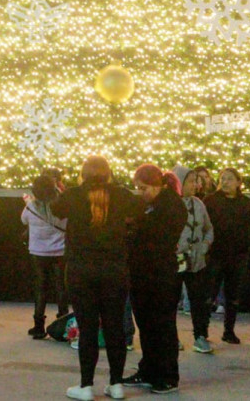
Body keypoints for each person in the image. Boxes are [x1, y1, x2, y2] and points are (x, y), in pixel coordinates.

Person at [51, 156, 142, 401]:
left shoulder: (72, 195)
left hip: (81, 271)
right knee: (115, 328)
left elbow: (54, 210)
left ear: (83, 173)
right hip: (114, 271)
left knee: (88, 328)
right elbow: (140, 208)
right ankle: (116, 384)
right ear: (108, 173)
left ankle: (86, 385)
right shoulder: (122, 195)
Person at [123, 164, 187, 396]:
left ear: (158, 184)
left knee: (163, 326)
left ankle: (168, 375)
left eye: (145, 188)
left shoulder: (172, 206)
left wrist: (136, 225)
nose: (141, 193)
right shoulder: (148, 205)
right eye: (138, 189)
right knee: (146, 325)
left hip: (161, 274)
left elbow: (159, 237)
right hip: (141, 273)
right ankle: (148, 369)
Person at [202, 168, 250, 345]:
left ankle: (229, 330)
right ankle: (202, 330)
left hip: (238, 255)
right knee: (209, 294)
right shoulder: (211, 201)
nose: (225, 182)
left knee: (233, 295)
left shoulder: (246, 203)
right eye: (222, 179)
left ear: (238, 182)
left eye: (229, 179)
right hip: (215, 255)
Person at [21, 172, 67, 339]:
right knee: (61, 287)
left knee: (40, 287)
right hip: (60, 251)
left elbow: (23, 221)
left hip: (38, 252)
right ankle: (63, 323)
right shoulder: (61, 206)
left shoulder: (31, 207)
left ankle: (38, 326)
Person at [177, 169, 214, 354]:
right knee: (170, 300)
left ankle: (200, 335)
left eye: (196, 181)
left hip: (197, 261)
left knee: (199, 300)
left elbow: (208, 228)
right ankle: (170, 336)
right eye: (191, 181)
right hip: (176, 261)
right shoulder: (171, 205)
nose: (195, 185)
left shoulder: (198, 204)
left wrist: (205, 245)